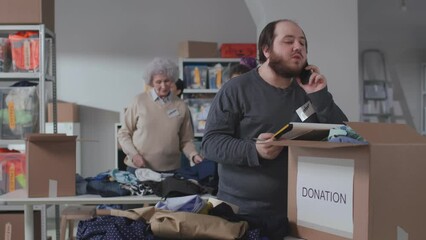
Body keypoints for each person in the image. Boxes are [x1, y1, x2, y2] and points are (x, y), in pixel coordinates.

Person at [201, 19, 348, 239]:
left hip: (302, 214)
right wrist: (255, 150)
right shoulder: (236, 89)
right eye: (289, 41)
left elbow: (344, 138)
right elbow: (210, 144)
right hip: (242, 216)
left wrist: (319, 94)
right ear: (266, 50)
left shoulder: (308, 91)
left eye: (303, 43)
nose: (298, 47)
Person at [118, 57, 203, 175]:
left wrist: (193, 155)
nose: (163, 86)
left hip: (171, 171)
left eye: (167, 81)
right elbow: (123, 134)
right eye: (158, 82)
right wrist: (134, 155)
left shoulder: (181, 106)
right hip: (139, 169)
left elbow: (186, 140)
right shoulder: (139, 101)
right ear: (151, 82)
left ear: (172, 80)